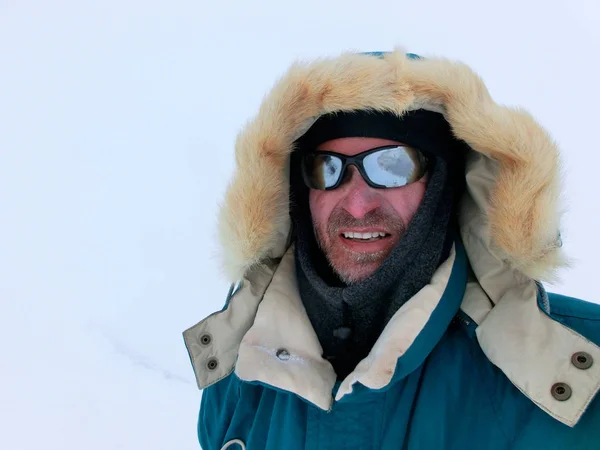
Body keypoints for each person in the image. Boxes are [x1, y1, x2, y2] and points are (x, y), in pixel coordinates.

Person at [183, 50, 600, 449]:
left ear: (442, 187)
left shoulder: (576, 370)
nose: (358, 203)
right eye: (326, 168)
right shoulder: (241, 368)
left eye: (392, 165)